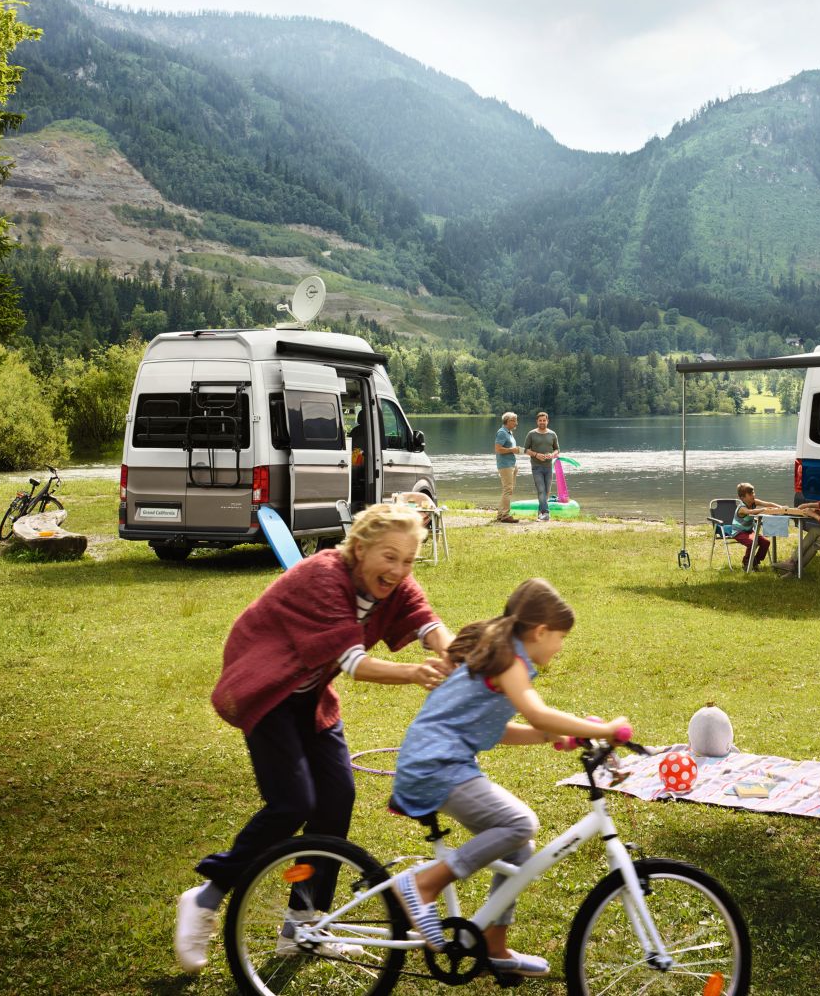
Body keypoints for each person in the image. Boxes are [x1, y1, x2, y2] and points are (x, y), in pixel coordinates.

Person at [174, 504, 457, 975]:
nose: (399, 569)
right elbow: (354, 663)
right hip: (266, 692)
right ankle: (207, 894)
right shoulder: (324, 576)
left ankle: (302, 924)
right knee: (292, 803)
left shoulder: (396, 582)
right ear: (360, 549)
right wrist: (415, 672)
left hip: (310, 697)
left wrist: (456, 656)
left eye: (408, 560)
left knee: (335, 799)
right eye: (389, 557)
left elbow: (428, 623)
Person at [387, 578, 629, 978]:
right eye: (561, 638)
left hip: (442, 761)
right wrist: (605, 729)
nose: (560, 647)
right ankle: (422, 885)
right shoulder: (510, 661)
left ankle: (493, 945)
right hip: (435, 765)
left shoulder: (502, 656)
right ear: (541, 631)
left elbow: (495, 728)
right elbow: (537, 712)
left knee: (519, 846)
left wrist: (550, 735)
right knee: (520, 822)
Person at [730, 482, 782, 569]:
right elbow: (750, 512)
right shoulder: (742, 508)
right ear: (742, 498)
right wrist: (763, 510)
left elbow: (768, 504)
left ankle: (754, 562)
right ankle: (746, 563)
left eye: (753, 492)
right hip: (739, 532)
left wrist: (780, 507)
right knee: (752, 543)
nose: (753, 495)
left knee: (766, 542)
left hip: (749, 531)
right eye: (750, 494)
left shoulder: (754, 502)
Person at [523, 411, 560, 522]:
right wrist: (536, 455)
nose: (542, 422)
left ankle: (540, 513)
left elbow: (557, 450)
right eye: (540, 420)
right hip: (536, 467)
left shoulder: (552, 434)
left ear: (547, 421)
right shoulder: (531, 434)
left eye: (544, 420)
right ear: (537, 421)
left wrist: (552, 455)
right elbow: (525, 450)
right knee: (541, 490)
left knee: (547, 491)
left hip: (548, 467)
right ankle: (546, 513)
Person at [492, 412, 521, 524]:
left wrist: (516, 450)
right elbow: (498, 449)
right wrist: (512, 450)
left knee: (508, 490)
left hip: (512, 464)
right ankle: (505, 515)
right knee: (508, 490)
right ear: (508, 421)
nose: (516, 423)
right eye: (514, 420)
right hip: (505, 465)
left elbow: (508, 449)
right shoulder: (502, 433)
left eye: (516, 420)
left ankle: (501, 514)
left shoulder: (509, 433)